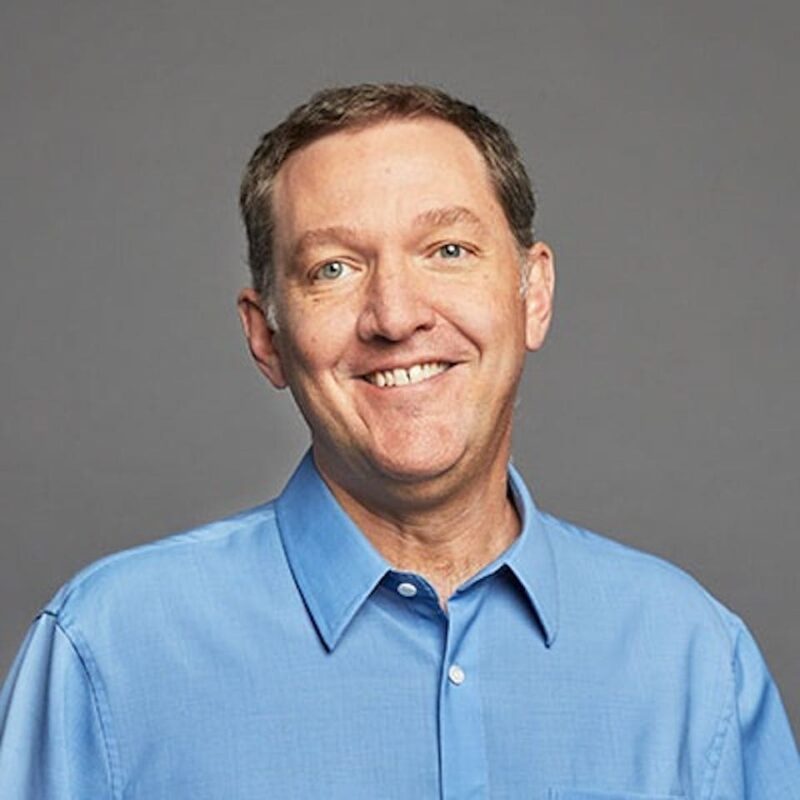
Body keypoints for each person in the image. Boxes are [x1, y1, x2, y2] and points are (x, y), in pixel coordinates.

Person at [0, 83, 797, 799]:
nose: (395, 315)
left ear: (534, 295)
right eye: (334, 269)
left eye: (447, 251)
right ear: (266, 336)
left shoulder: (694, 661)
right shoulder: (106, 656)